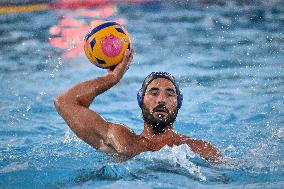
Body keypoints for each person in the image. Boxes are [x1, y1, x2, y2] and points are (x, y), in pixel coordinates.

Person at [54, 49, 221, 163]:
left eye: (170, 94)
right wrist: (112, 79)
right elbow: (64, 103)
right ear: (141, 100)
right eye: (154, 93)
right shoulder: (122, 140)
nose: (161, 99)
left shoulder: (199, 149)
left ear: (179, 103)